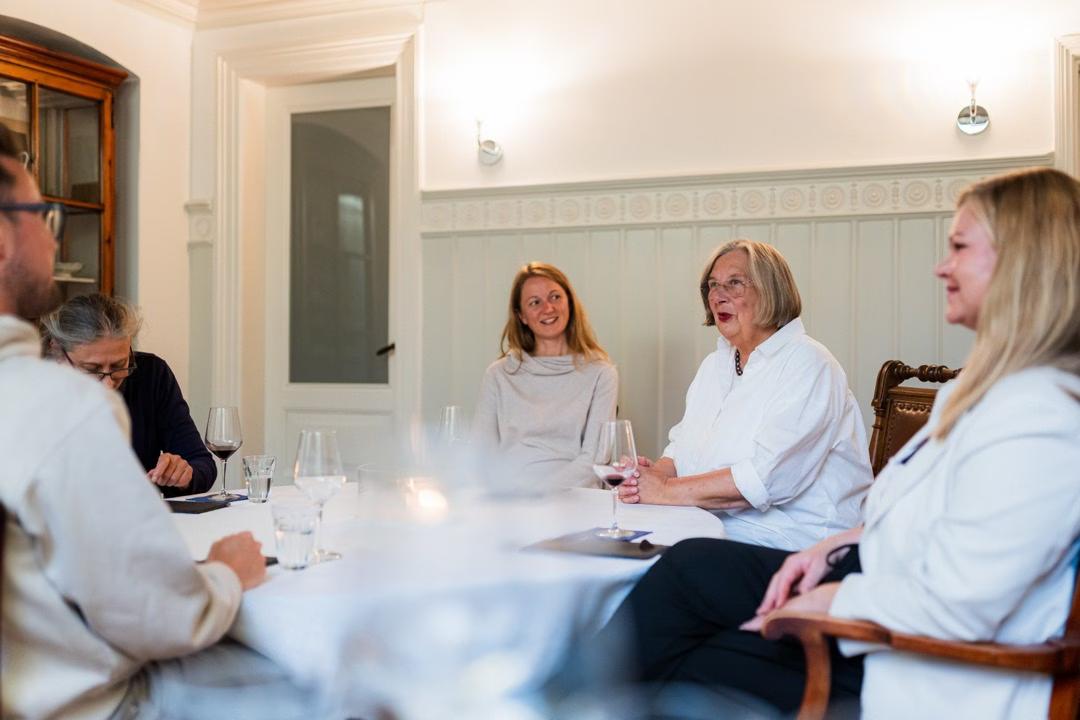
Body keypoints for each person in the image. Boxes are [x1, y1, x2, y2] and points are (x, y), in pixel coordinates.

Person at [602, 167, 1080, 719]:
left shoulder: (1040, 414)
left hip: (915, 660)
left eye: (959, 246)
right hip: (872, 582)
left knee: (682, 616)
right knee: (686, 596)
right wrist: (830, 551)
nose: (941, 265)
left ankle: (551, 696)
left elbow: (969, 602)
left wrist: (835, 596)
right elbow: (907, 514)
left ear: (1023, 261)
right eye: (713, 284)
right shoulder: (981, 392)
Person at [0, 123, 316, 718]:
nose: (51, 237)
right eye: (42, 215)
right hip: (95, 705)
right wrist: (225, 572)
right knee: (323, 679)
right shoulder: (57, 409)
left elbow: (194, 466)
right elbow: (157, 617)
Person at [618, 239, 871, 551]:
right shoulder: (715, 364)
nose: (718, 296)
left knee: (662, 565)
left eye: (734, 283)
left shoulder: (809, 362)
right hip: (713, 527)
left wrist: (665, 490)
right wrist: (648, 478)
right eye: (712, 285)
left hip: (795, 543)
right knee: (616, 546)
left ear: (770, 290)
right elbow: (681, 447)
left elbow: (767, 479)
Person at [41, 293, 216, 497]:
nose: (108, 384)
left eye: (119, 366)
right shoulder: (31, 389)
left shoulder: (151, 374)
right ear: (57, 352)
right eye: (92, 368)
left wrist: (184, 475)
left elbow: (202, 464)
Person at [472, 261, 618, 489]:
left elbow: (594, 460)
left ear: (569, 301)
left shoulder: (601, 373)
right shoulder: (498, 374)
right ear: (521, 316)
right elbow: (482, 454)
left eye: (555, 297)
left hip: (573, 499)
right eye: (534, 302)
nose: (547, 308)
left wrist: (537, 494)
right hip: (509, 499)